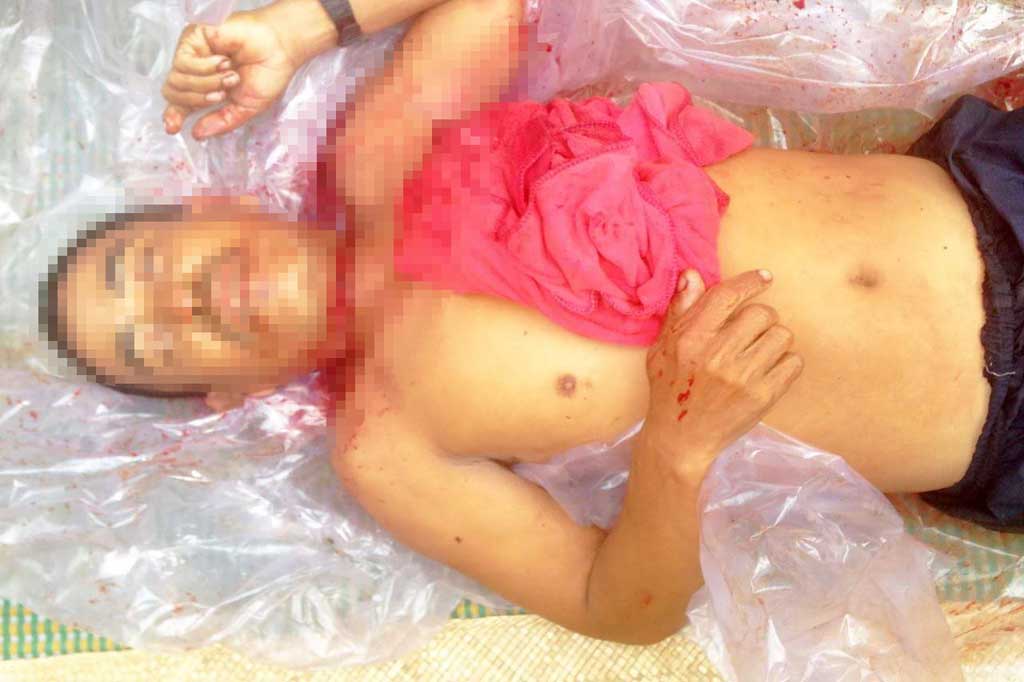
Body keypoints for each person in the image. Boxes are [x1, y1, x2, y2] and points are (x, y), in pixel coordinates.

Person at [40, 0, 1024, 645]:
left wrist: (305, 26)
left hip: (994, 184)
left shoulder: (385, 144)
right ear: (231, 393)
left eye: (145, 266)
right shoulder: (387, 443)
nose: (178, 300)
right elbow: (617, 606)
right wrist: (679, 447)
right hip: (1000, 425)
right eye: (153, 341)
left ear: (213, 210)